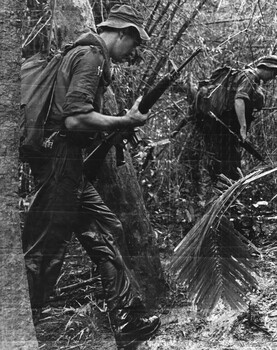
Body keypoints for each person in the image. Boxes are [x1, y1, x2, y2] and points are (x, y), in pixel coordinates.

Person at [21, 4, 160, 348]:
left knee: (107, 228)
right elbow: (75, 119)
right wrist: (124, 122)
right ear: (124, 33)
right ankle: (19, 325)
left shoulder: (83, 53)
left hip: (66, 162)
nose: (133, 55)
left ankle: (129, 319)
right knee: (45, 248)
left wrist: (114, 125)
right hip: (60, 160)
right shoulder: (92, 57)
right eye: (135, 45)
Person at [197, 55, 277, 181]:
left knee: (225, 157)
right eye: (274, 73)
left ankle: (224, 187)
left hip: (223, 122)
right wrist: (243, 127)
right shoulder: (250, 77)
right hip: (227, 123)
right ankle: (228, 189)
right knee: (230, 159)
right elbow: (239, 100)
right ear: (268, 68)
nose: (274, 77)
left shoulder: (249, 76)